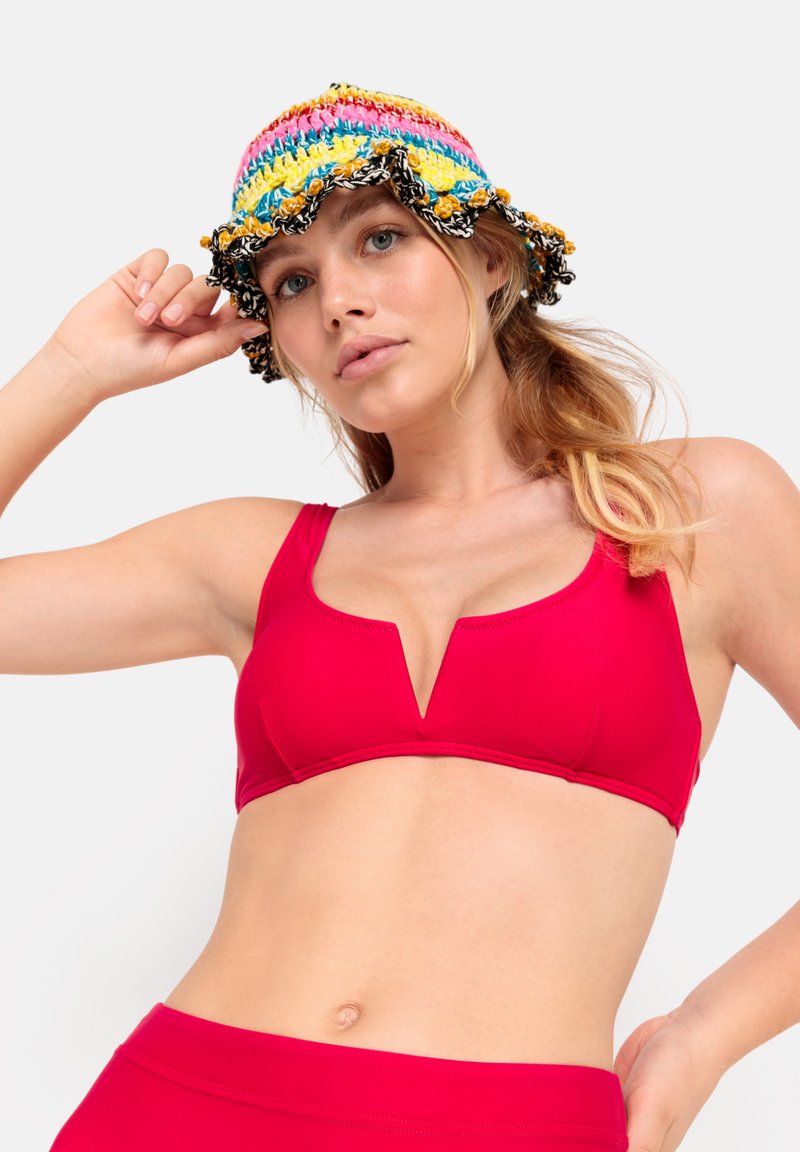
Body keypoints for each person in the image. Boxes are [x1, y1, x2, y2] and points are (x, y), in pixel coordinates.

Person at [2, 80, 797, 1152]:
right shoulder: (251, 558)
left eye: (379, 239)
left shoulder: (694, 512)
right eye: (292, 281)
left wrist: (702, 1036)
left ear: (490, 257)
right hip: (180, 1106)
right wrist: (71, 373)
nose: (337, 301)